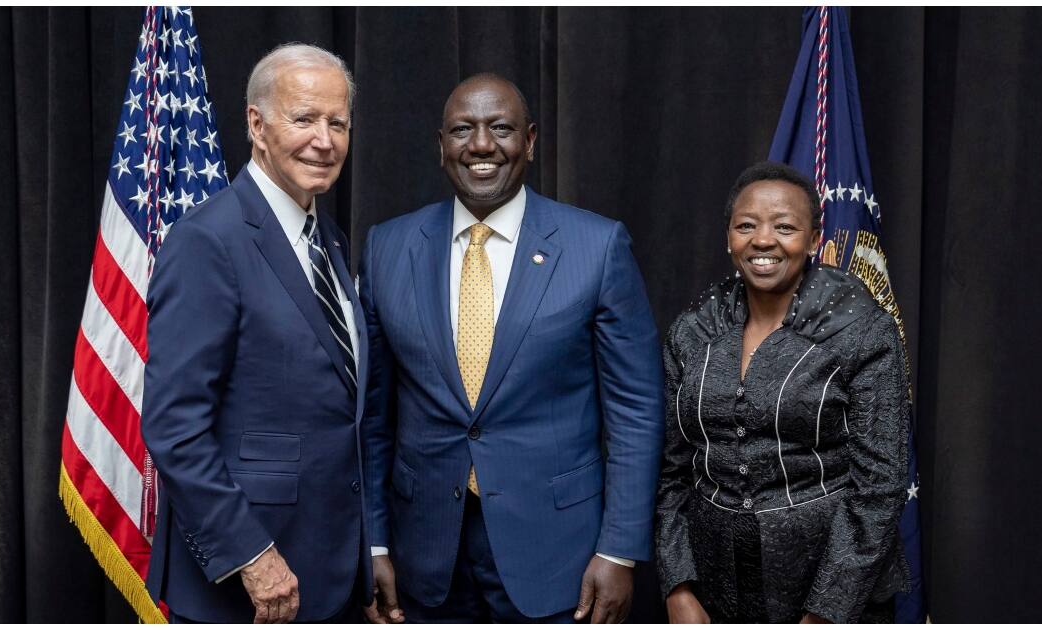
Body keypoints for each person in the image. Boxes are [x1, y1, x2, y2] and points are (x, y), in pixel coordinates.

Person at [358, 73, 664, 624]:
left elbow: (636, 412)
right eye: (462, 130)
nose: (480, 145)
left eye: (499, 128)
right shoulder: (387, 247)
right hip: (422, 557)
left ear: (530, 141)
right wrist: (376, 542)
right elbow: (373, 417)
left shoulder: (596, 247)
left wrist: (619, 548)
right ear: (441, 144)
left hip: (559, 554)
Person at [141, 43, 371, 623]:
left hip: (329, 568)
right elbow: (174, 427)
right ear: (256, 124)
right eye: (304, 118)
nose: (325, 139)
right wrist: (252, 555)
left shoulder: (331, 242)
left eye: (338, 122)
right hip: (251, 581)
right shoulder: (207, 241)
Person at [655, 162, 910, 624]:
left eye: (785, 227)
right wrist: (678, 585)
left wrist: (827, 612)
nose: (763, 240)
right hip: (714, 591)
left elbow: (880, 486)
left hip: (832, 588)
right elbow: (671, 471)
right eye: (746, 226)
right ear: (728, 237)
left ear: (814, 239)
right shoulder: (692, 332)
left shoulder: (862, 331)